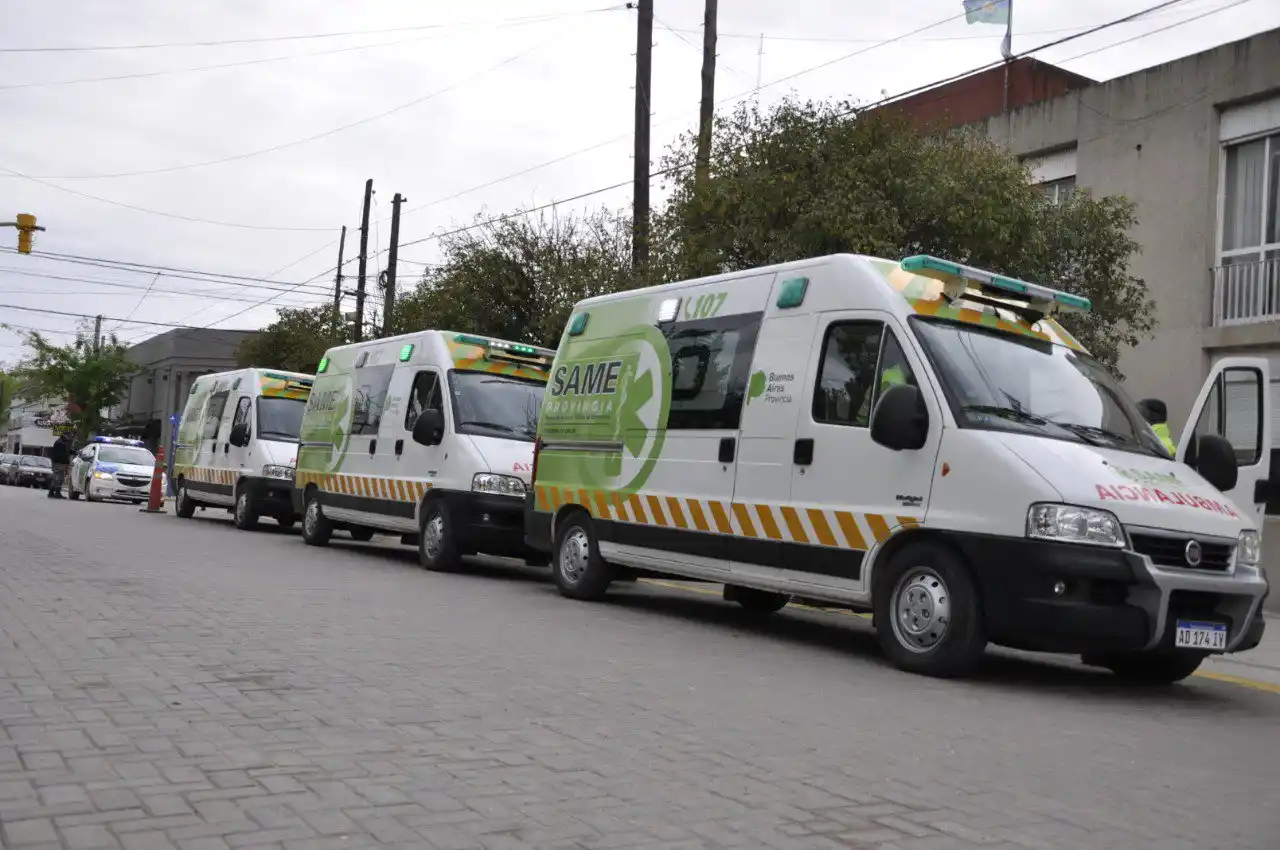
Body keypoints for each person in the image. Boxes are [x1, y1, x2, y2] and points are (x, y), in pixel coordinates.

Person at [48, 432, 72, 499]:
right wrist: (66, 461)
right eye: (69, 435)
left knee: (57, 477)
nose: (70, 437)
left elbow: (66, 451)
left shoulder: (64, 442)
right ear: (65, 435)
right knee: (59, 477)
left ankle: (51, 492)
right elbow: (61, 454)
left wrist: (72, 452)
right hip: (58, 462)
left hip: (59, 462)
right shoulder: (60, 442)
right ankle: (57, 493)